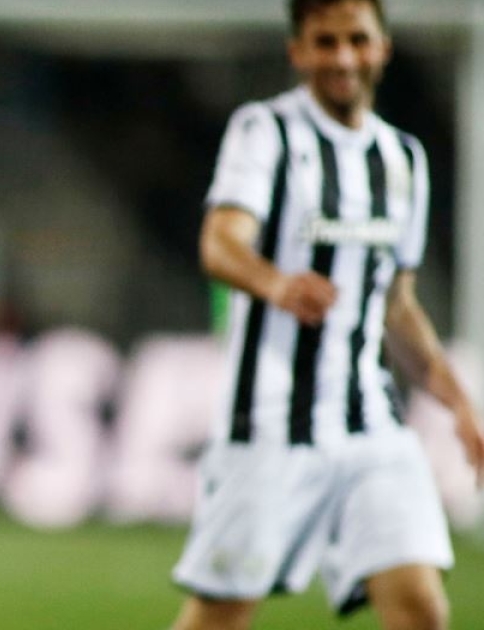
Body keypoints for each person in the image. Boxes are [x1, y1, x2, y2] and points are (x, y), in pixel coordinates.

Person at [170, 1, 484, 629]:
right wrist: (276, 283)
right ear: (298, 52)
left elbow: (397, 304)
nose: (343, 58)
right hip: (269, 423)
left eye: (357, 40)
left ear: (383, 48)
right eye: (325, 41)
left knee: (422, 609)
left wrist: (458, 402)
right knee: (220, 617)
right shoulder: (265, 132)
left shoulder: (402, 159)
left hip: (369, 424)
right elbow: (220, 243)